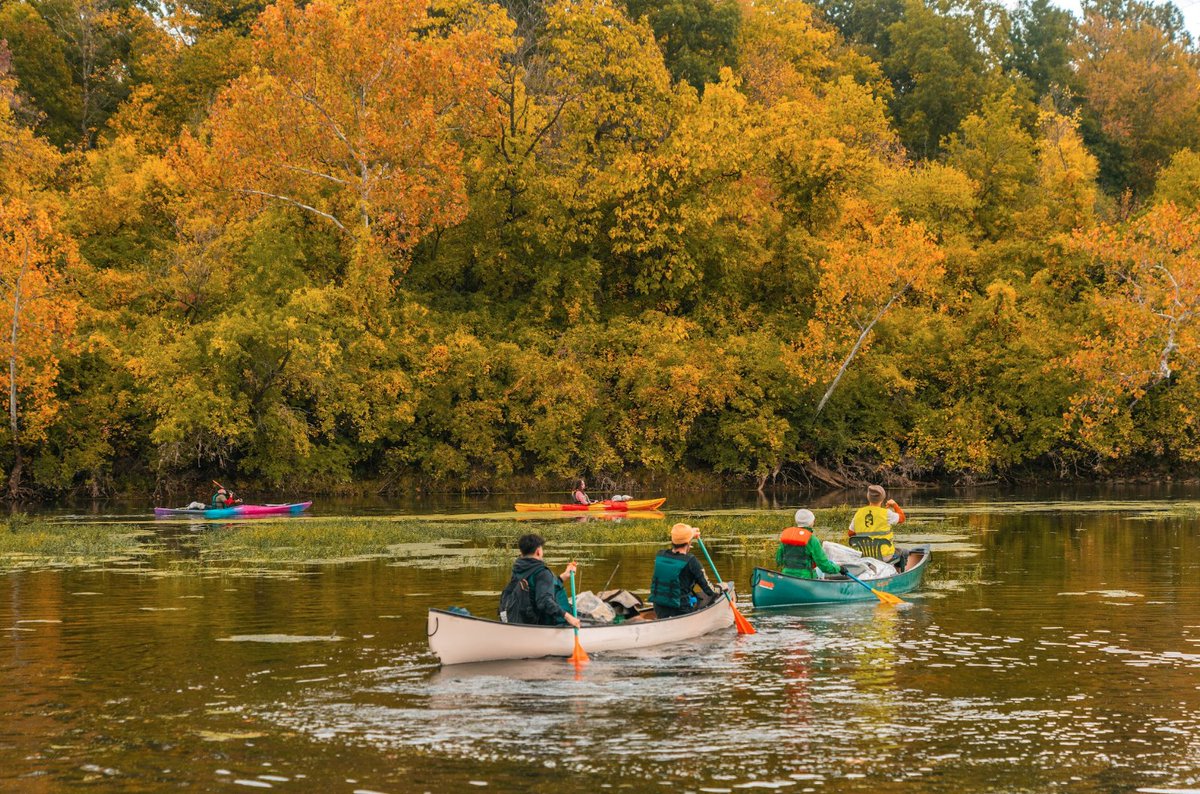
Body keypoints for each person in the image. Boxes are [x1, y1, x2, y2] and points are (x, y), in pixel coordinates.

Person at [506, 533, 581, 628]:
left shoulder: (519, 568)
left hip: (525, 619)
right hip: (552, 622)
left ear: (521, 552)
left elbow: (536, 588)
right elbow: (544, 601)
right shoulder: (542, 572)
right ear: (538, 551)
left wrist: (563, 577)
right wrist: (568, 617)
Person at [650, 523, 720, 618]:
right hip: (681, 610)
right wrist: (721, 588)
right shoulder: (691, 561)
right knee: (712, 596)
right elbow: (710, 591)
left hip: (659, 609)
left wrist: (690, 533)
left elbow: (680, 536)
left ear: (673, 540)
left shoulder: (661, 555)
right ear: (689, 543)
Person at [777, 509, 847, 580]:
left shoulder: (787, 537)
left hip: (786, 575)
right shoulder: (812, 540)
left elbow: (778, 560)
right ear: (811, 523)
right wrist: (839, 569)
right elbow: (824, 566)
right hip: (806, 578)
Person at [847, 484, 906, 566]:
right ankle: (898, 573)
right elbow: (902, 518)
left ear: (868, 497)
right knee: (903, 553)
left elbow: (850, 533)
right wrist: (894, 505)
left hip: (864, 556)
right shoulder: (886, 513)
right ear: (883, 498)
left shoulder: (858, 513)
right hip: (885, 556)